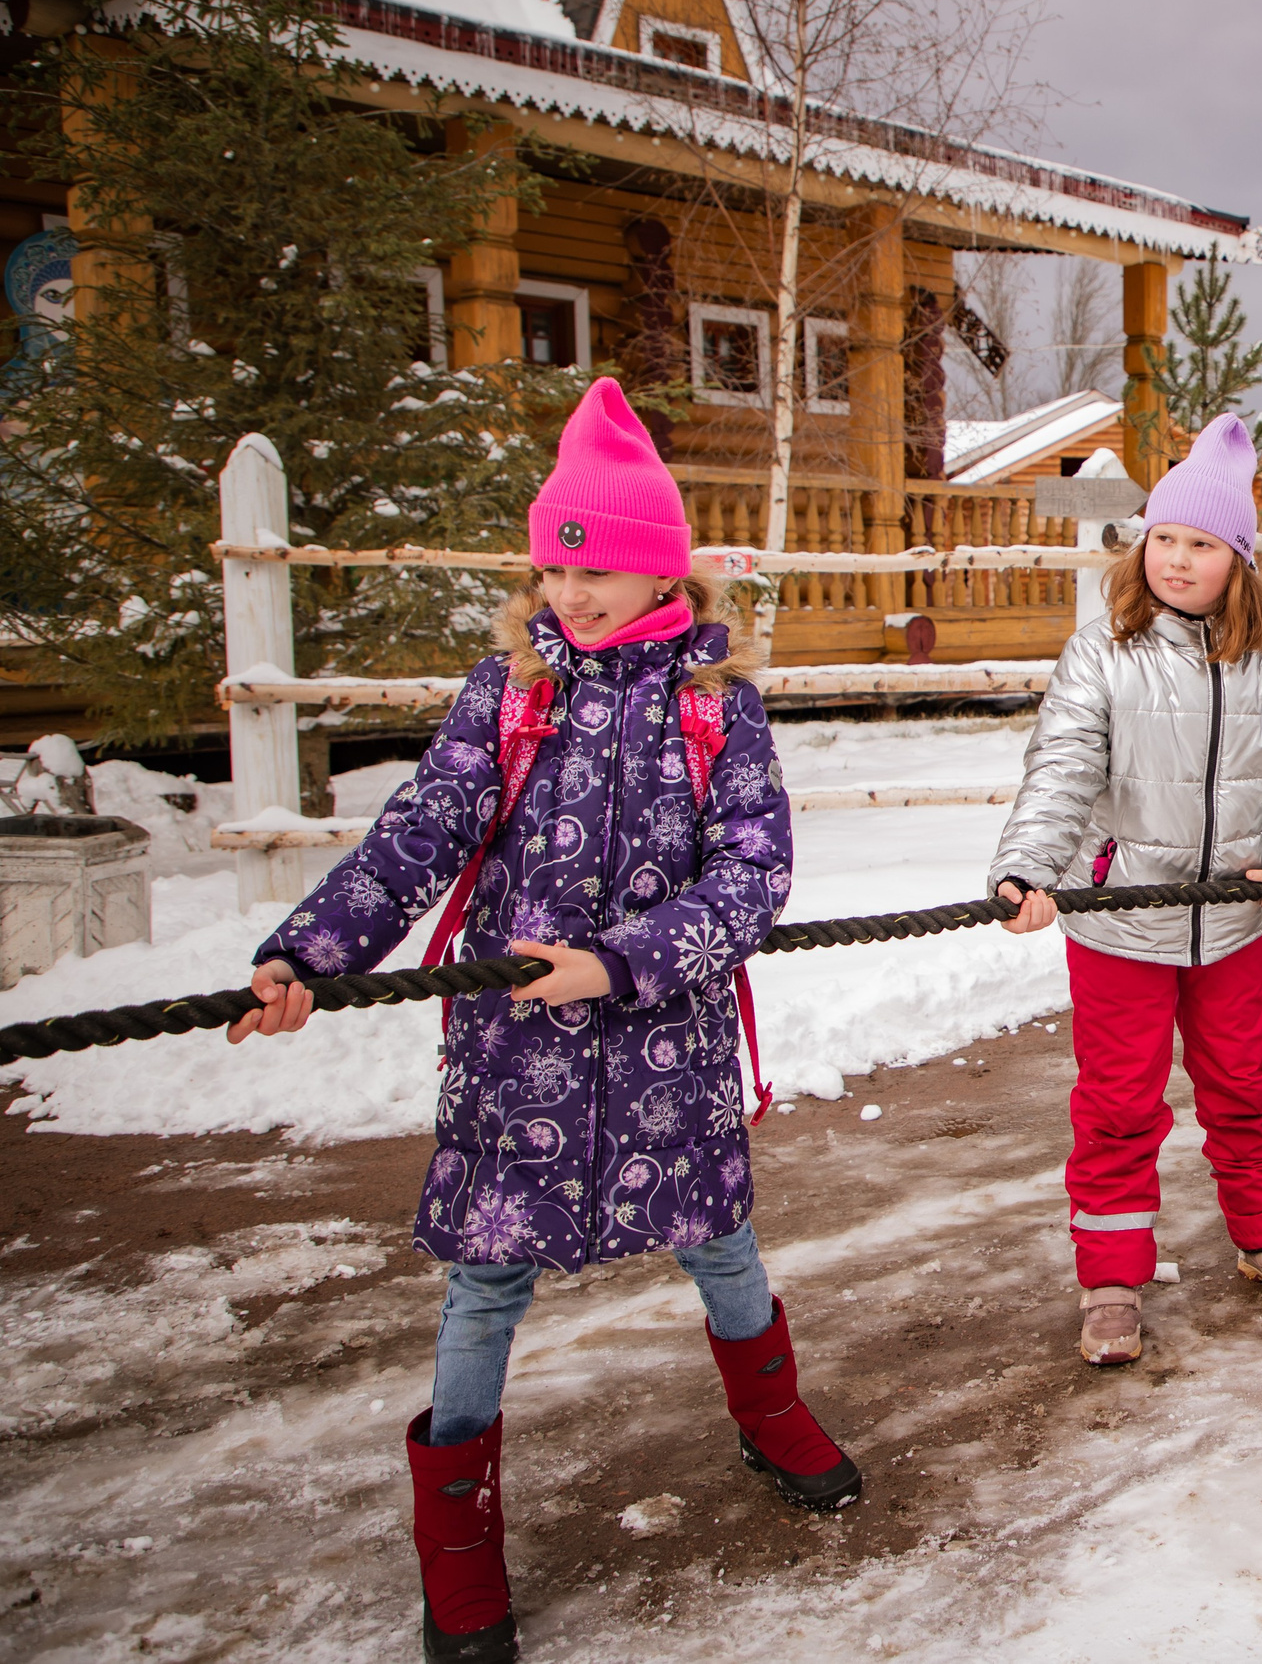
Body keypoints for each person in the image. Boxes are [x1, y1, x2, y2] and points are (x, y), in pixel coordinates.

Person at [226, 378, 856, 1664]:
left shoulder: (714, 703)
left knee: (724, 1247)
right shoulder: (510, 691)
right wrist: (308, 952)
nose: (569, 594)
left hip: (661, 1042)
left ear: (659, 570)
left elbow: (753, 876)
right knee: (481, 1289)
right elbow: (417, 837)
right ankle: (457, 1546)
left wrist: (620, 965)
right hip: (513, 1052)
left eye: (599, 569)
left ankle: (770, 1412)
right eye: (553, 567)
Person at [988, 412, 1262, 1367]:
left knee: (1243, 1083)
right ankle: (1112, 1275)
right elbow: (1063, 767)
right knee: (1119, 1100)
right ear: (1142, 542)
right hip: (1121, 924)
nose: (1178, 560)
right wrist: (1029, 867)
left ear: (1238, 557)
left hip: (1232, 921)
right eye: (1164, 538)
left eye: (1201, 543)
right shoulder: (1102, 649)